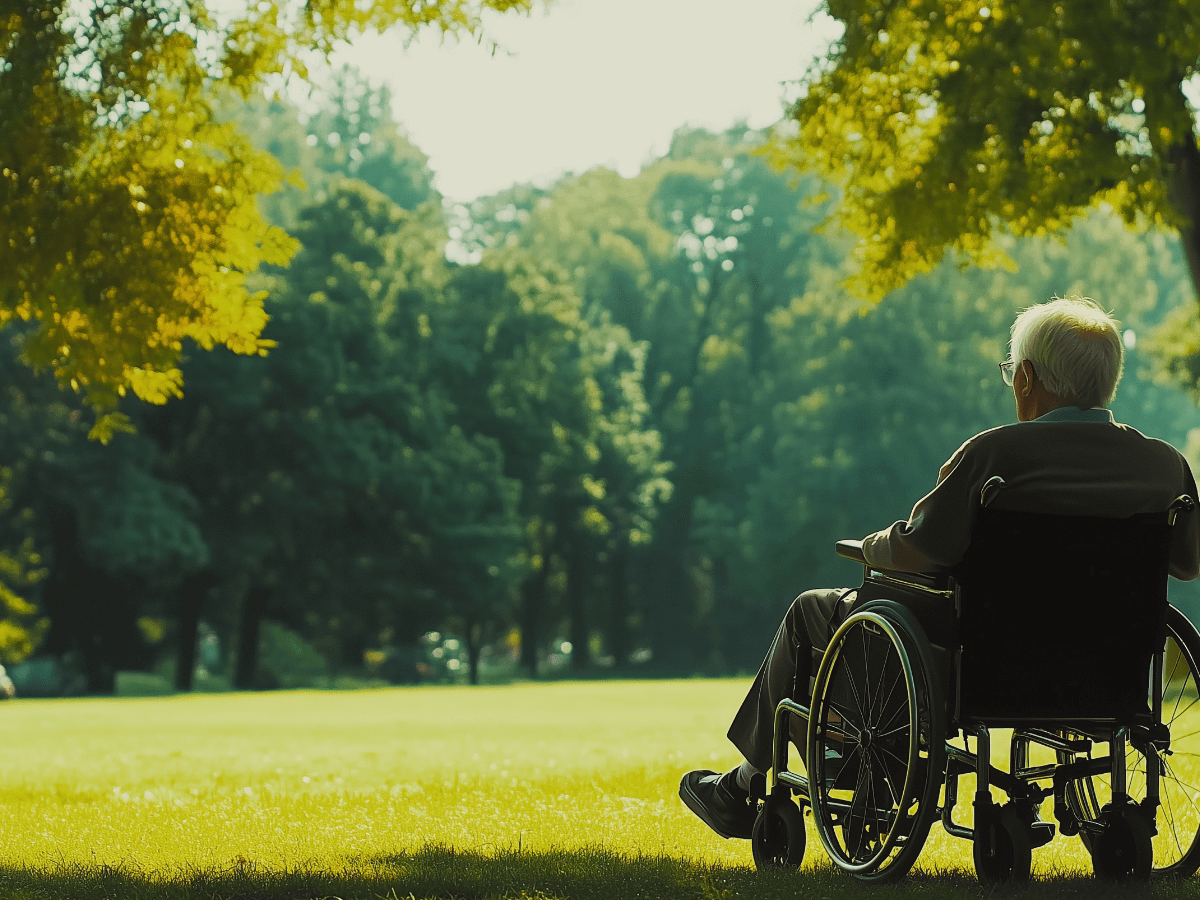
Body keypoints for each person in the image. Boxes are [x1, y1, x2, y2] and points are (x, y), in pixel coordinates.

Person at [679, 295, 1200, 841]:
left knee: (815, 610)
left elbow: (926, 547)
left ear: (1025, 378)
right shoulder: (1165, 466)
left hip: (985, 662)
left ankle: (745, 784)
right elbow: (1185, 565)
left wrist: (873, 547)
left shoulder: (997, 455)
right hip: (1105, 670)